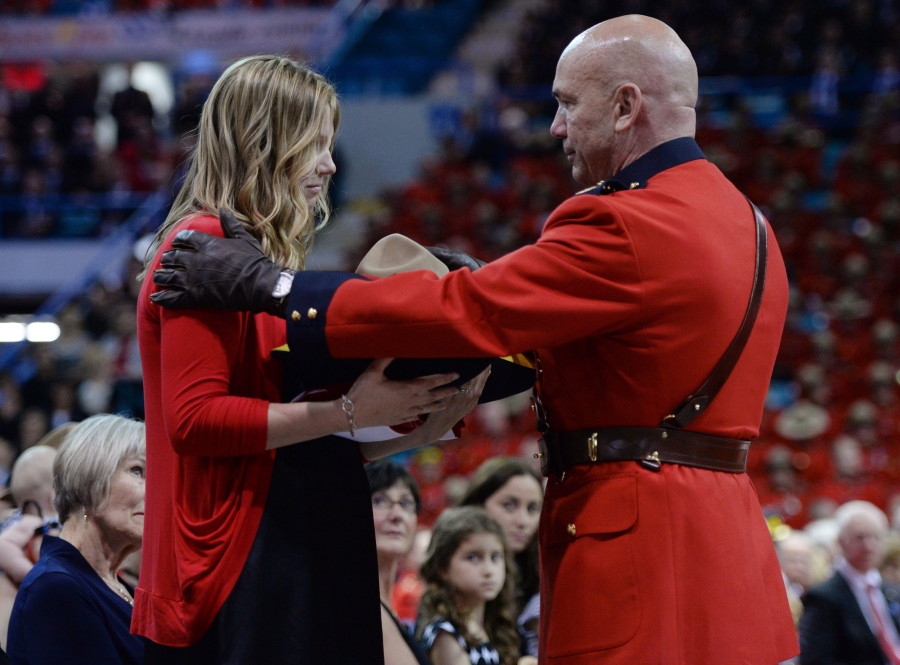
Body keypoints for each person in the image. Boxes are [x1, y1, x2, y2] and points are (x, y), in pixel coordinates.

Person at [149, 15, 799, 664]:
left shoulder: (627, 219)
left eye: (568, 103)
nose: (556, 126)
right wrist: (385, 419)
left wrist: (281, 291)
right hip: (725, 547)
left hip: (637, 543)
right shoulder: (752, 224)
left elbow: (472, 309)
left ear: (626, 106)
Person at [134, 54, 484, 665]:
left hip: (282, 536)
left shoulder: (248, 253)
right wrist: (350, 411)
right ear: (262, 143)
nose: (328, 163)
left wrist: (412, 418)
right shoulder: (206, 244)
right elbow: (194, 422)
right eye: (315, 144)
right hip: (234, 555)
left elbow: (290, 441)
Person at [7, 414, 146, 665]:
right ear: (87, 480)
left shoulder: (110, 584)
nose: (154, 489)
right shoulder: (56, 588)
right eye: (137, 470)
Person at [458, 457, 542, 660]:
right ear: (478, 505)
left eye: (532, 509)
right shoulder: (453, 580)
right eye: (509, 505)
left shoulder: (541, 581)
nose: (523, 521)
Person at [798, 500, 900, 665]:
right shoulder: (824, 597)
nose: (869, 545)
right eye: (859, 538)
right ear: (840, 541)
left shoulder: (891, 592)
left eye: (876, 537)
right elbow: (815, 659)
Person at [416, 506, 519, 665]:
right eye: (472, 557)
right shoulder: (445, 633)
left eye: (495, 557)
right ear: (443, 567)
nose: (489, 570)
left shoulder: (491, 626)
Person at [366, 459, 431, 665]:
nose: (397, 515)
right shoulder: (348, 604)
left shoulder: (391, 609)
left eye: (405, 503)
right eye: (379, 501)